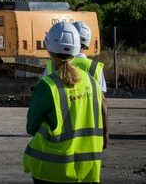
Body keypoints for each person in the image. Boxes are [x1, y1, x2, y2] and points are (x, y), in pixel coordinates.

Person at [23, 22, 104, 183]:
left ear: (49, 48)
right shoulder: (91, 82)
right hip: (88, 168)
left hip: (51, 168)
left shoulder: (48, 85)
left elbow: (31, 127)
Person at [43, 21, 109, 148]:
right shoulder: (95, 68)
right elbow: (102, 103)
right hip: (88, 135)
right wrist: (105, 132)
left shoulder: (51, 66)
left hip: (60, 134)